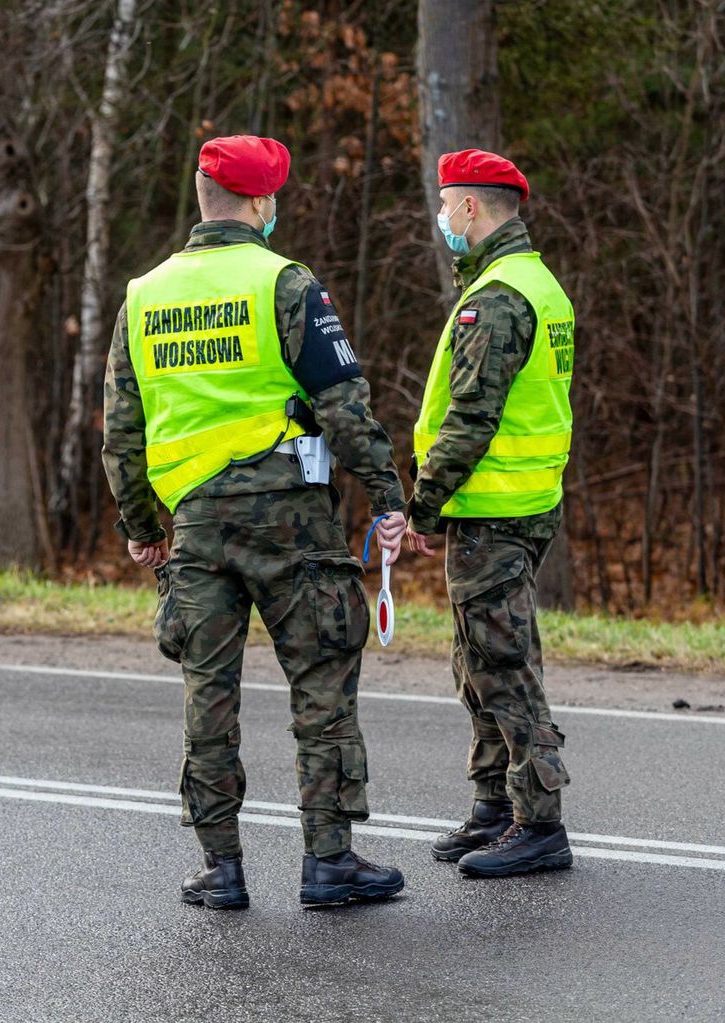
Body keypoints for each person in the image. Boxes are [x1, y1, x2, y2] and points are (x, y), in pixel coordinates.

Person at [102, 134, 407, 909]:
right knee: (322, 680)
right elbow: (343, 401)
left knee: (209, 693)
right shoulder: (285, 283)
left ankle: (221, 867)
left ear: (203, 203)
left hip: (196, 522)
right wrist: (389, 494)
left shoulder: (143, 294)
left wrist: (142, 521)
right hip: (289, 518)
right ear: (261, 203)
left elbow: (121, 428)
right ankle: (329, 860)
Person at [406, 149, 575, 878]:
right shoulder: (533, 284)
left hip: (494, 507)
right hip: (517, 501)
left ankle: (537, 823)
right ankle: (494, 808)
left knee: (503, 664)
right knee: (476, 658)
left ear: (470, 208)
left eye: (447, 207)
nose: (443, 219)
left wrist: (422, 502)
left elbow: (471, 418)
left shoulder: (500, 297)